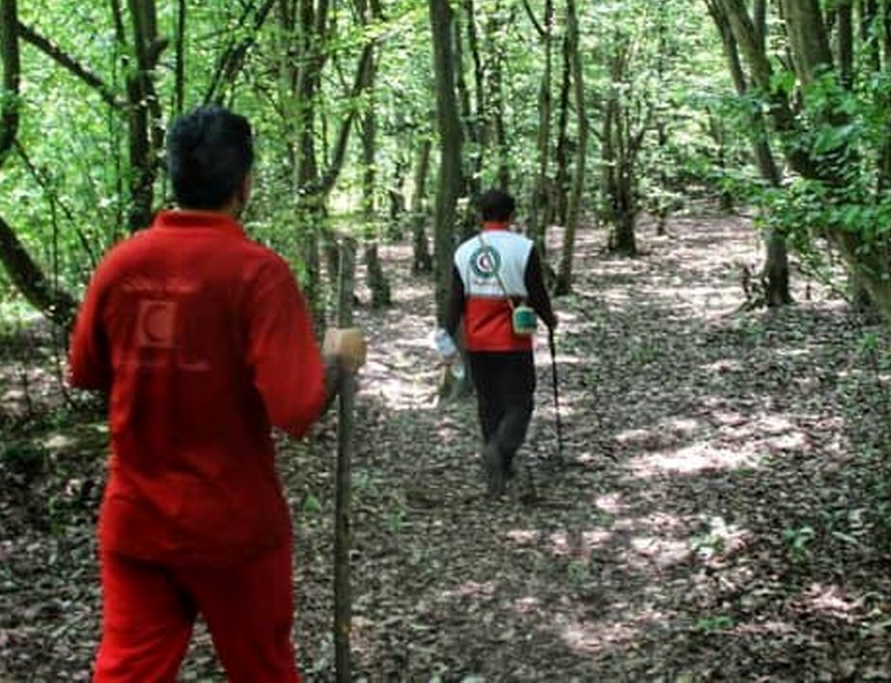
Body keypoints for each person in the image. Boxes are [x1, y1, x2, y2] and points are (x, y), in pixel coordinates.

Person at [69, 105, 366, 682]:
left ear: (174, 176)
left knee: (127, 672)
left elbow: (85, 370)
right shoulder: (258, 274)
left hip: (137, 523)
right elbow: (298, 407)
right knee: (263, 671)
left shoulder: (121, 264)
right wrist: (337, 361)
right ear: (245, 182)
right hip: (234, 529)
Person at [439, 189, 557, 498]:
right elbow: (537, 290)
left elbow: (455, 298)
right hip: (513, 339)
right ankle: (499, 450)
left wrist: (447, 332)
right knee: (520, 400)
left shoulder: (464, 251)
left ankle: (499, 463)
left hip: (476, 339)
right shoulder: (524, 247)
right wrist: (550, 319)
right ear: (512, 215)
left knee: (489, 401)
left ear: (481, 214)